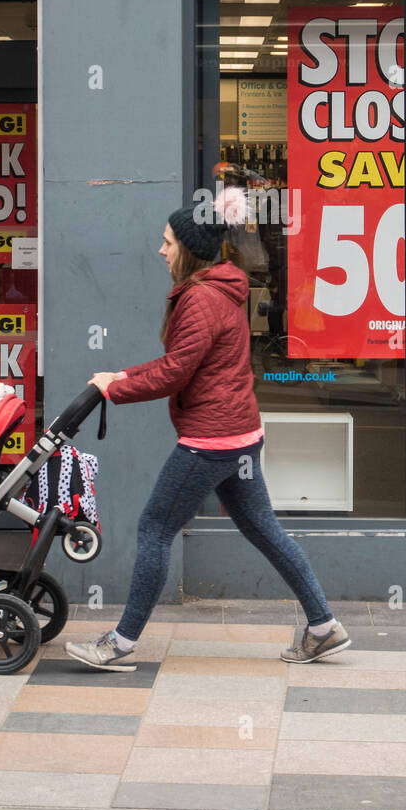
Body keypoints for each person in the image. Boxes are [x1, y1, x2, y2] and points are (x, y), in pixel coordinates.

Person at [65, 186, 350, 673]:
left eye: (168, 242)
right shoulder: (223, 288)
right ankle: (323, 627)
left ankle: (120, 643)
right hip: (238, 434)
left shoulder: (200, 299)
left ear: (189, 251)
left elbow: (176, 372)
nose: (160, 249)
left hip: (210, 441)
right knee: (263, 528)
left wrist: (115, 389)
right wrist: (122, 377)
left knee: (154, 528)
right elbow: (182, 363)